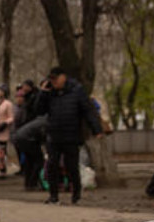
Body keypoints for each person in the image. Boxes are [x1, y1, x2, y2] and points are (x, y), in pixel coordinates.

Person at [36, 67, 102, 205]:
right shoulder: (50, 93)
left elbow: (88, 110)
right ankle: (53, 195)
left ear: (63, 77)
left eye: (55, 79)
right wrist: (43, 93)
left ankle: (76, 194)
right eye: (51, 79)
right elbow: (39, 110)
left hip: (71, 135)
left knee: (71, 166)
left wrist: (97, 129)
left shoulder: (76, 90)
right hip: (53, 135)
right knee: (52, 165)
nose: (53, 82)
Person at [13, 79, 46, 190]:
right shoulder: (29, 104)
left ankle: (29, 183)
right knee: (37, 160)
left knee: (30, 161)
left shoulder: (27, 103)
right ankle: (32, 182)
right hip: (28, 136)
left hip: (24, 135)